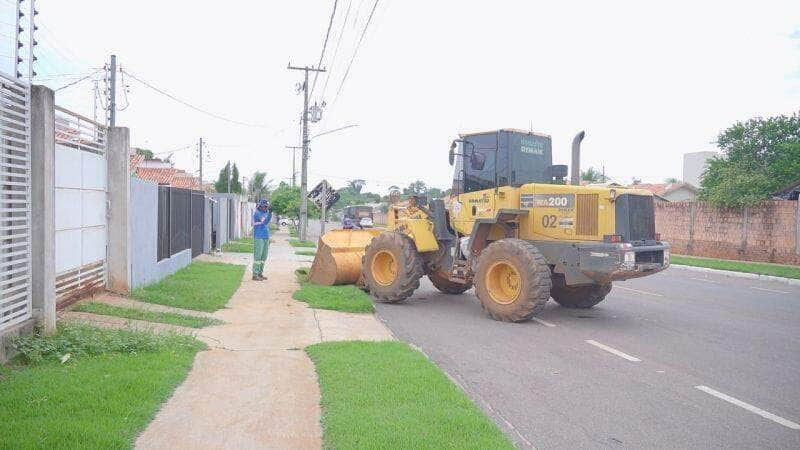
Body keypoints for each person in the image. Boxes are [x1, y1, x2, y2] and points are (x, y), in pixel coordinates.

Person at [252, 199, 272, 281]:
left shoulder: (266, 213)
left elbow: (266, 222)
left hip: (266, 237)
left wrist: (269, 213)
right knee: (258, 256)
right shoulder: (257, 213)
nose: (265, 208)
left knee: (263, 257)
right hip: (259, 237)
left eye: (267, 207)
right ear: (260, 206)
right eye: (264, 206)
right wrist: (270, 214)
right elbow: (264, 222)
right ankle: (255, 274)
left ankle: (260, 273)